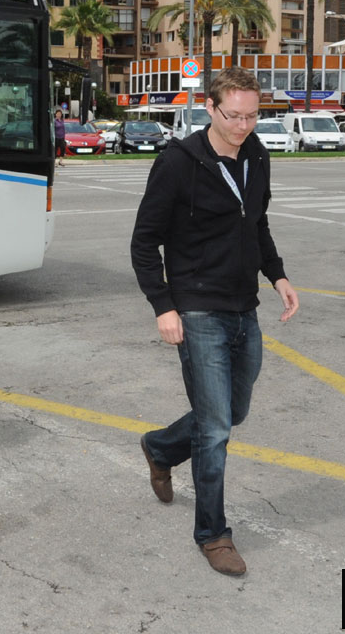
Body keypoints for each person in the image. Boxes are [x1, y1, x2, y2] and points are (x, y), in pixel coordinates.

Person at [129, 66, 299, 577]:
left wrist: (278, 276)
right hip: (197, 307)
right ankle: (213, 534)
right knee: (216, 428)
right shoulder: (179, 163)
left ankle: (159, 447)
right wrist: (163, 305)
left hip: (243, 305)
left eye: (253, 116)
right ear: (211, 108)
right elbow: (144, 241)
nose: (245, 125)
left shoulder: (258, 156)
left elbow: (257, 222)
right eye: (235, 116)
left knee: (232, 412)